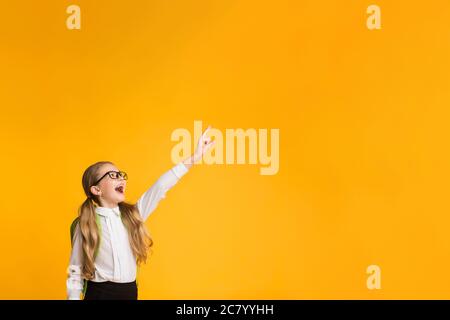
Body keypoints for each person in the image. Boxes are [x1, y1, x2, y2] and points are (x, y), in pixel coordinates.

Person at [66, 125, 215, 300]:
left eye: (120, 174)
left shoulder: (133, 215)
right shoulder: (85, 224)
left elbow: (160, 187)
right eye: (112, 175)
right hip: (99, 294)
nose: (121, 177)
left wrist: (195, 158)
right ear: (96, 189)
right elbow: (75, 270)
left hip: (129, 293)